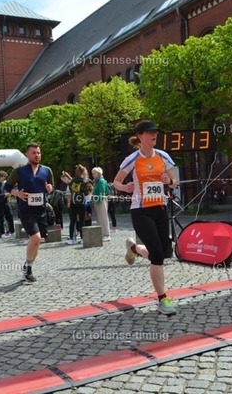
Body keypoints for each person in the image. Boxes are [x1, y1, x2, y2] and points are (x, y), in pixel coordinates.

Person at [113, 120, 179, 316]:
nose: (154, 135)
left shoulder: (163, 156)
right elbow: (116, 182)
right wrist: (125, 187)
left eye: (155, 132)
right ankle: (162, 299)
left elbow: (175, 182)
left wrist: (169, 181)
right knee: (157, 254)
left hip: (160, 208)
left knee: (164, 252)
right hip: (141, 211)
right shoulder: (132, 159)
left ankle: (134, 248)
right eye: (150, 133)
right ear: (140, 136)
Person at [5, 142, 54, 283]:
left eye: (38, 153)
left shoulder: (47, 170)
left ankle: (28, 266)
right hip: (26, 210)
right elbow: (7, 187)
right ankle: (28, 267)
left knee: (38, 241)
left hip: (41, 210)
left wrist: (50, 189)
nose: (37, 155)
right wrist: (17, 193)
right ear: (27, 154)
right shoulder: (19, 171)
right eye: (34, 153)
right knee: (36, 238)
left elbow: (51, 187)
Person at [65, 165, 90, 245]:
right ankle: (82, 237)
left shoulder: (72, 181)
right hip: (81, 202)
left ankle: (71, 238)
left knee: (72, 220)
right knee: (81, 220)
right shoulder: (84, 181)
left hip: (73, 202)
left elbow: (70, 191)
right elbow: (86, 193)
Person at [0, 171, 15, 238]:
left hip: (6, 202)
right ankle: (2, 233)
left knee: (10, 216)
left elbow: (7, 191)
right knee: (0, 219)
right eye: (4, 177)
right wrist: (4, 194)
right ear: (0, 177)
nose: (5, 178)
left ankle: (12, 231)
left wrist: (9, 194)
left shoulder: (4, 184)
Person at [91, 167, 111, 241]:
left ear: (99, 173)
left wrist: (98, 202)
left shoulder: (101, 181)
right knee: (99, 219)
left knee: (103, 218)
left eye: (94, 173)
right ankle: (101, 234)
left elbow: (101, 192)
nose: (93, 175)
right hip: (97, 201)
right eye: (92, 173)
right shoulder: (96, 181)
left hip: (101, 201)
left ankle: (106, 234)